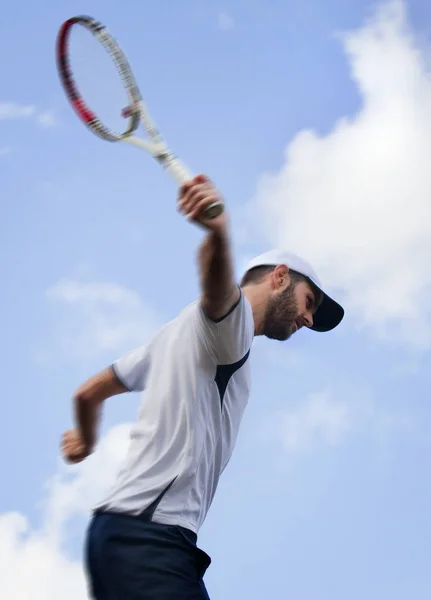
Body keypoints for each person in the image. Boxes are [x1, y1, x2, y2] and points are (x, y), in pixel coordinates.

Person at [61, 174, 344, 599]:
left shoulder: (174, 333)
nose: (307, 319)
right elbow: (219, 294)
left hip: (121, 536)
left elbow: (88, 393)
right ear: (280, 277)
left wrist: (84, 438)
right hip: (150, 540)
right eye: (309, 303)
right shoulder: (233, 328)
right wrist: (218, 232)